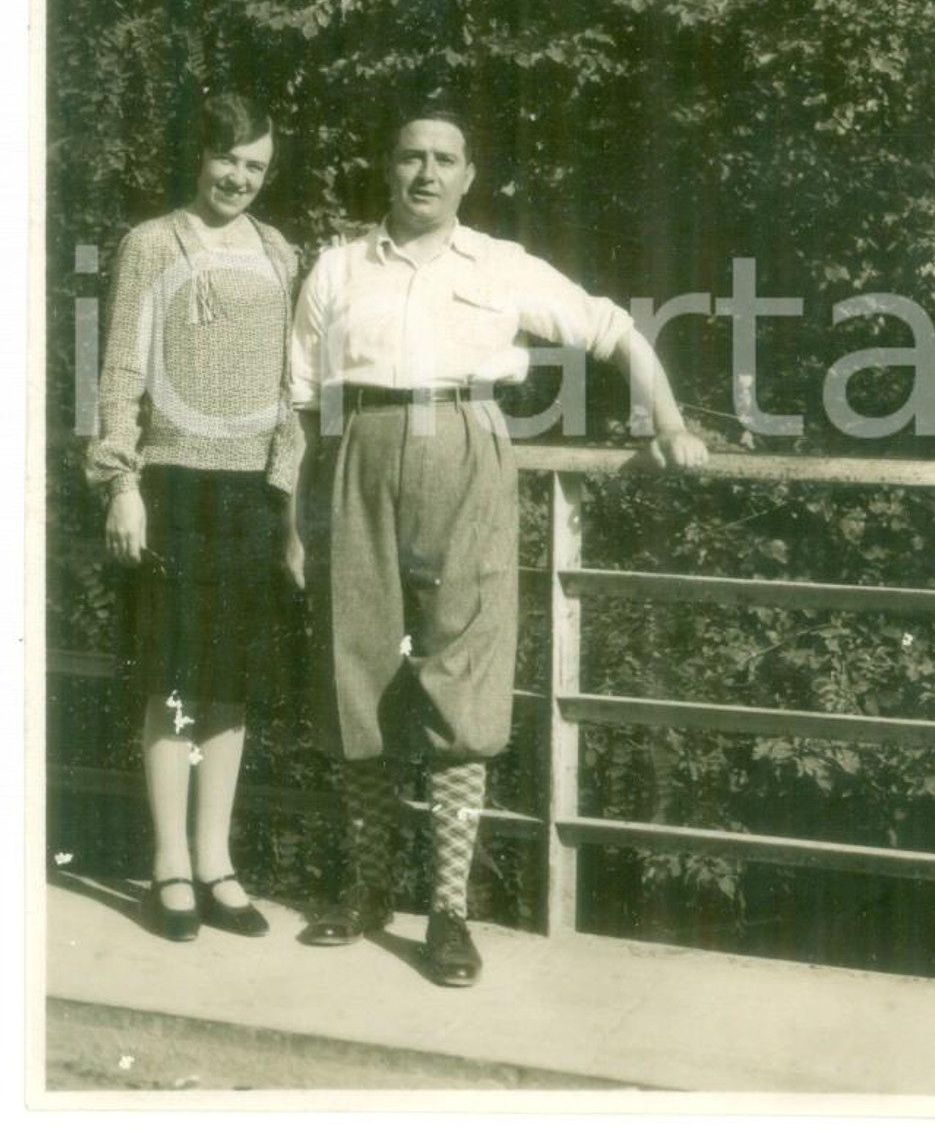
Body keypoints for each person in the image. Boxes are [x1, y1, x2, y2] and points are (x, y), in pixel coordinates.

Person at [288, 103, 707, 985]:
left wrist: (666, 419)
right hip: (354, 449)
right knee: (352, 668)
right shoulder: (336, 267)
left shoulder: (502, 265)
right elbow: (297, 399)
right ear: (388, 168)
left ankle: (447, 911)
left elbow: (612, 328)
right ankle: (366, 890)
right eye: (410, 157)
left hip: (468, 445)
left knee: (462, 673)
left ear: (468, 175)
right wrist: (294, 512)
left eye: (445, 158)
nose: (426, 173)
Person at [86, 91, 299, 942]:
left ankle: (217, 861)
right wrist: (121, 481)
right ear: (198, 157)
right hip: (171, 484)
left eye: (256, 166)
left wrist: (285, 504)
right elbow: (120, 372)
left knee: (232, 684)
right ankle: (170, 862)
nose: (240, 178)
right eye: (228, 161)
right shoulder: (152, 243)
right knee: (172, 678)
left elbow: (293, 389)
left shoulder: (280, 251)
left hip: (250, 493)